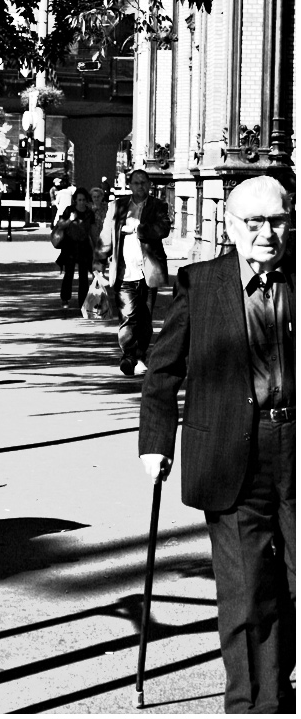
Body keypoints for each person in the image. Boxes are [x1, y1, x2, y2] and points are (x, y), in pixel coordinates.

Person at [138, 176, 295, 715]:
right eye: (253, 223)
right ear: (231, 227)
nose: (267, 234)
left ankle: (280, 683)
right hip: (231, 454)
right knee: (248, 594)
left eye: (276, 220)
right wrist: (155, 443)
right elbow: (163, 371)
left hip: (296, 446)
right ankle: (256, 705)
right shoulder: (201, 285)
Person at [94, 169, 171, 376]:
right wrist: (99, 261)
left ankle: (140, 355)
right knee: (128, 316)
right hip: (124, 272)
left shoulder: (158, 206)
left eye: (144, 183)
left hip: (148, 272)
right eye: (136, 183)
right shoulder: (117, 207)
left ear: (149, 184)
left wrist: (138, 229)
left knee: (145, 320)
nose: (140, 187)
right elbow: (106, 236)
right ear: (129, 185)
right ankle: (128, 356)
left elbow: (162, 229)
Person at [55, 187, 96, 310]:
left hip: (84, 245)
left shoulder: (89, 213)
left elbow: (93, 232)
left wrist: (97, 249)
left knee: (84, 276)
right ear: (75, 200)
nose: (82, 202)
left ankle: (83, 302)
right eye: (79, 200)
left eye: (84, 200)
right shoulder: (69, 210)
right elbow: (60, 225)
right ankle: (65, 298)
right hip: (70, 245)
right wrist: (70, 220)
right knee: (69, 273)